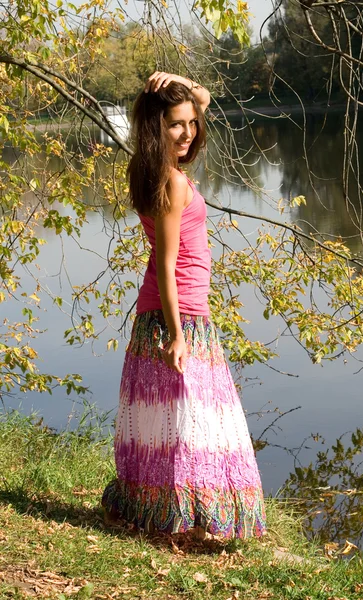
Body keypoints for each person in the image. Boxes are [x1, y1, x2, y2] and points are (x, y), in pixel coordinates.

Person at [102, 72, 267, 539]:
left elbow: (205, 98)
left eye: (192, 124)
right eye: (176, 124)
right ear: (157, 127)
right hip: (178, 317)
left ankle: (175, 515)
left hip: (179, 313)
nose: (189, 132)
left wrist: (177, 82)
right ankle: (193, 519)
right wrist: (177, 335)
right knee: (195, 422)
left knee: (178, 423)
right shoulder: (172, 182)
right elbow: (165, 264)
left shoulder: (155, 171)